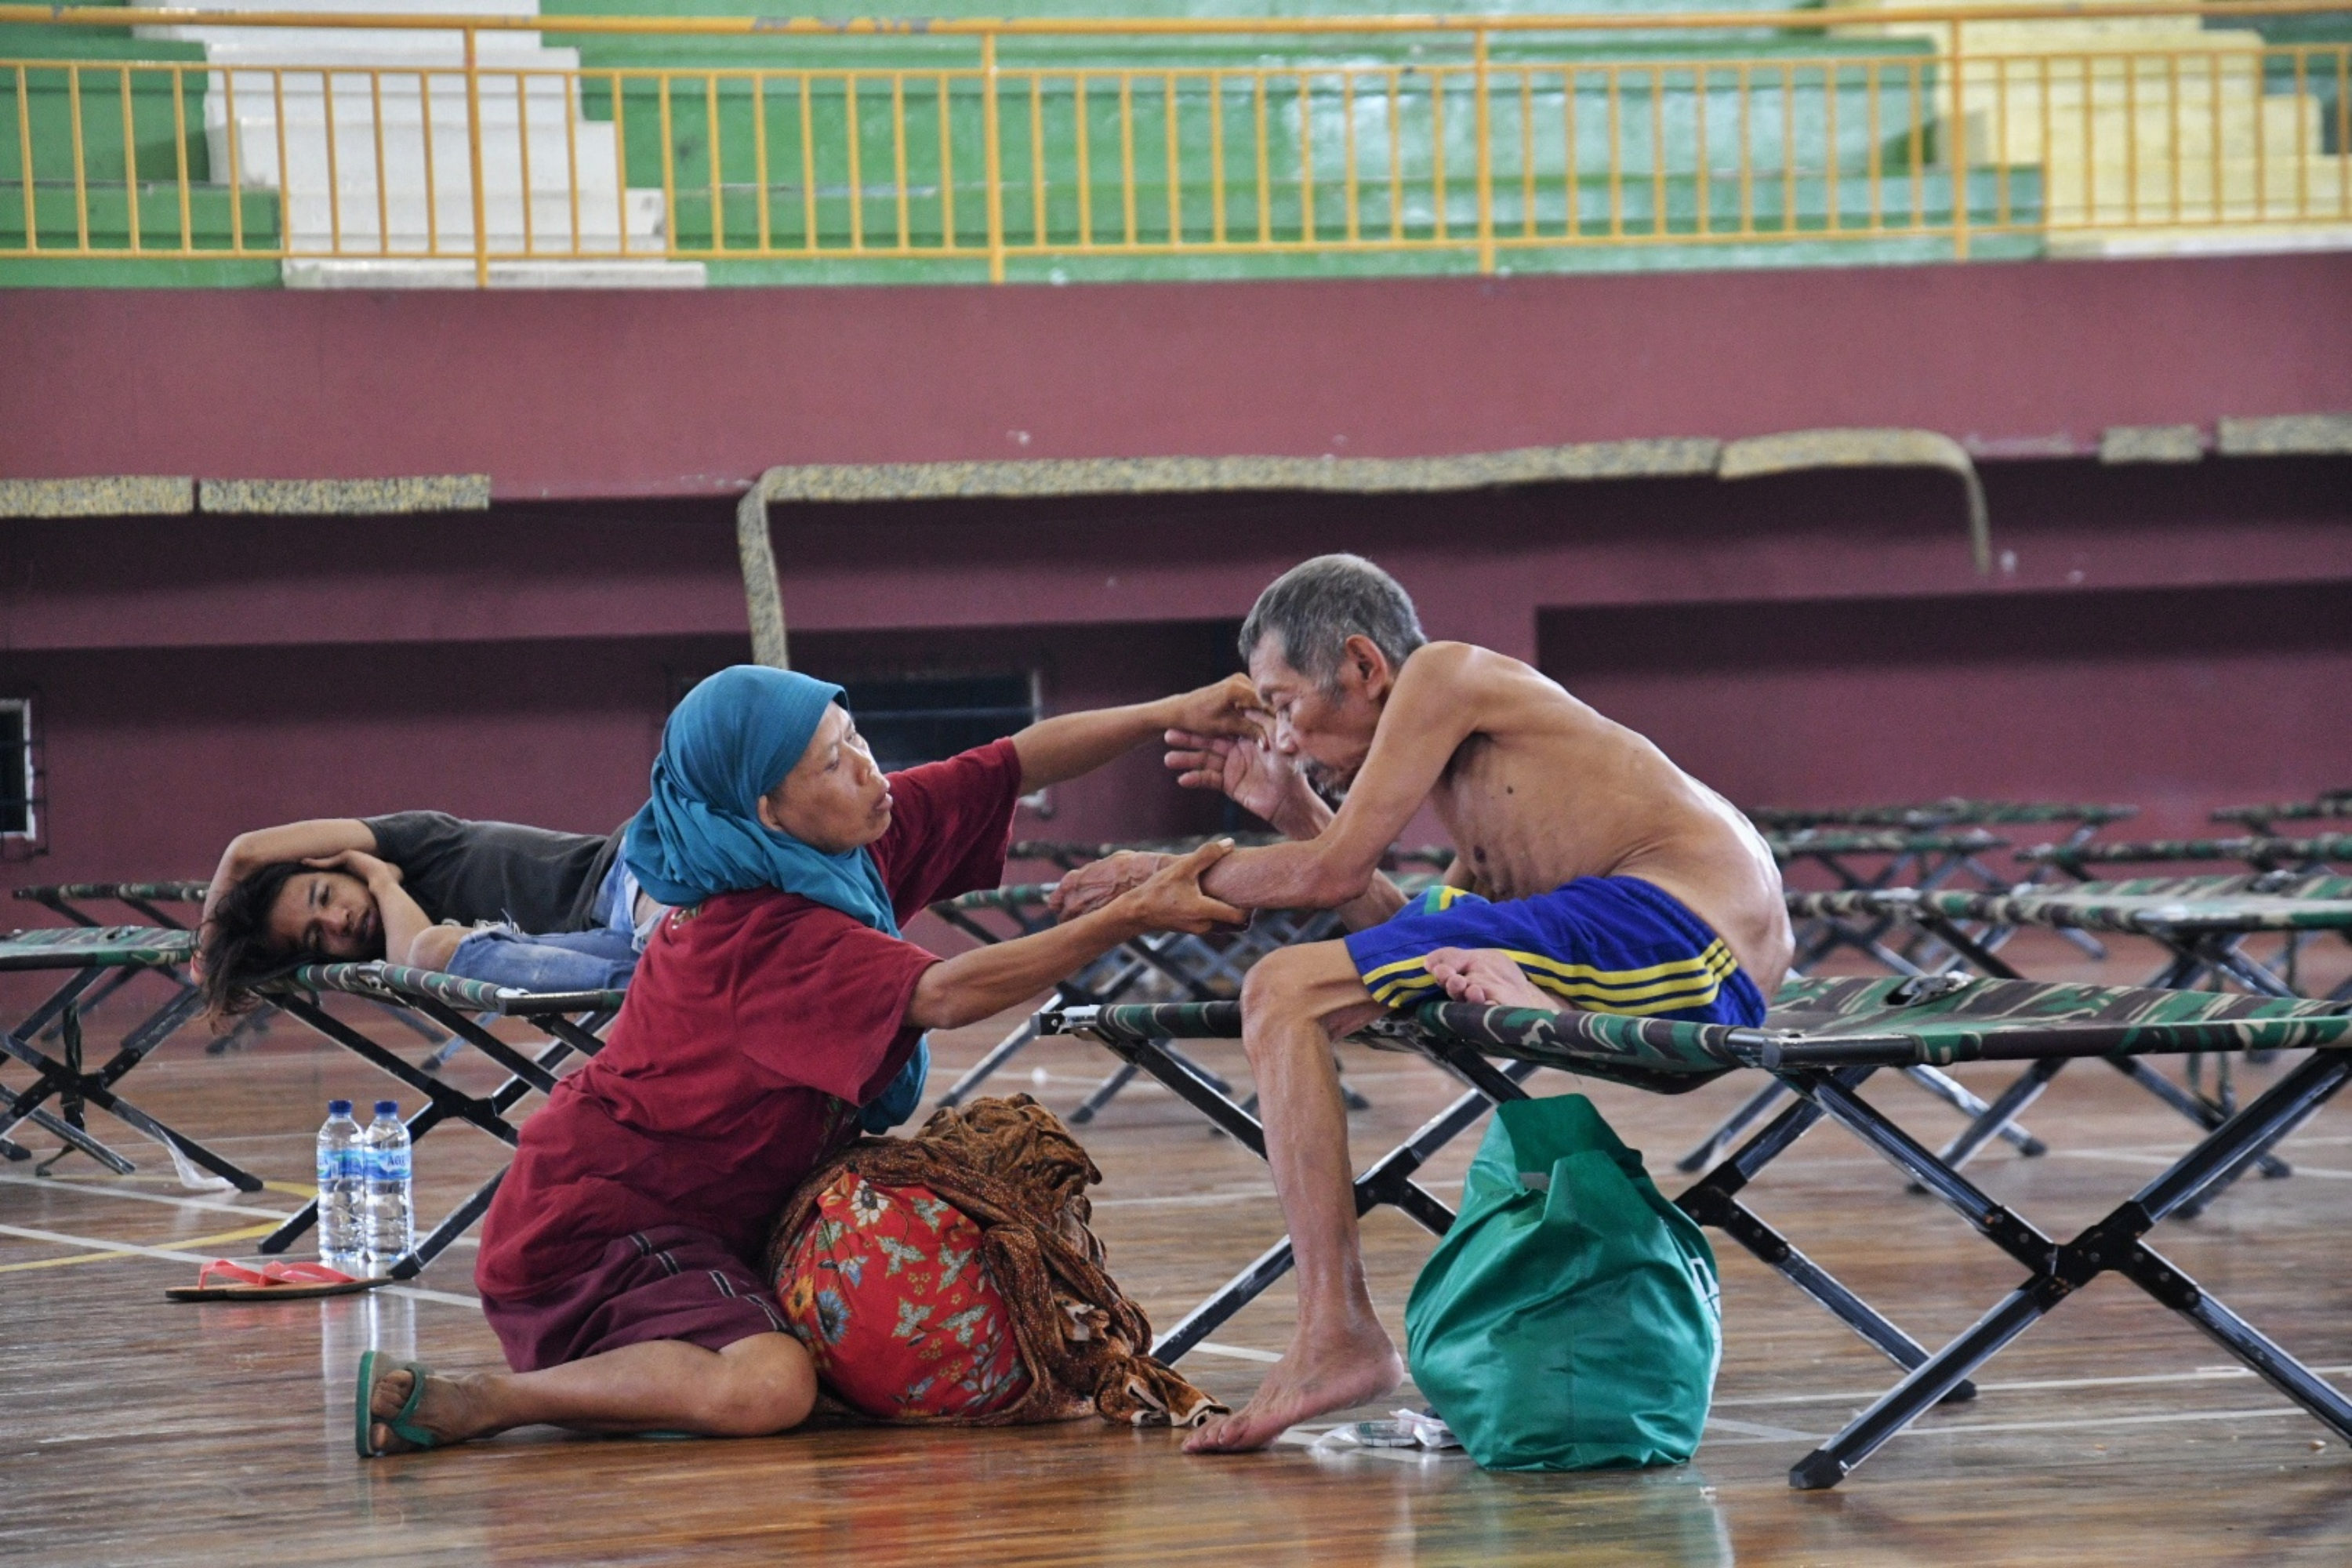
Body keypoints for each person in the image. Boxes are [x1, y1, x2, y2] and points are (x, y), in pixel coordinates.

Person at [355, 664, 1262, 1457]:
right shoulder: (752, 930)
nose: (868, 766)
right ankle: (491, 1401)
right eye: (834, 759)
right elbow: (947, 993)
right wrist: (1129, 915)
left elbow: (1014, 762)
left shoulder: (842, 840)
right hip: (594, 1233)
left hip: (710, 1223)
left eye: (855, 735)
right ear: (767, 809)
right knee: (773, 1383)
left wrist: (1171, 712)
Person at [1053, 554, 1791, 1453]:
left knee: (1280, 987)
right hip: (1643, 930)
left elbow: (1332, 875)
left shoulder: (1444, 672)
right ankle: (1525, 990)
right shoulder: (1492, 776)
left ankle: (1337, 1330)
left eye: (1283, 704)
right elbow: (1402, 932)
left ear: (1364, 664)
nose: (1281, 739)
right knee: (1422, 932)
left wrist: (1159, 877)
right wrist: (1294, 810)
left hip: (1691, 941)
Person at [195, 811, 662, 1015]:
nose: (338, 920)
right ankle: (676, 969)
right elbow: (414, 966)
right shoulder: (400, 954)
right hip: (609, 946)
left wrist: (207, 952)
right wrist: (381, 882)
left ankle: (680, 950)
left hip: (625, 872)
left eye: (325, 895)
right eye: (318, 938)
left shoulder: (417, 840)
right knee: (428, 950)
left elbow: (244, 853)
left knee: (671, 920)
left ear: (336, 862)